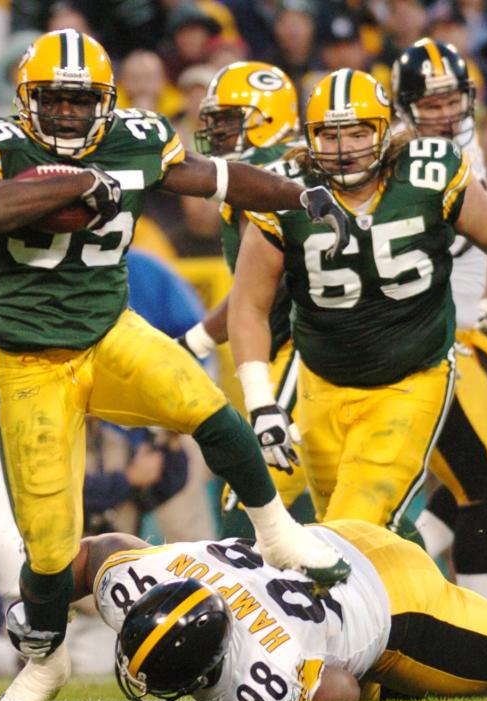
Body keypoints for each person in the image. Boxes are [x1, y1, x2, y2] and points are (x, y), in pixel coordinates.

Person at [0, 28, 353, 701]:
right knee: (47, 548)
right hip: (25, 357)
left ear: (102, 102)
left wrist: (295, 194)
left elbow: (209, 175)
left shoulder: (133, 136)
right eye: (54, 100)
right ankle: (46, 659)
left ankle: (275, 529)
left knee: (205, 404)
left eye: (80, 101)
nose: (68, 114)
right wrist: (77, 183)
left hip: (108, 331)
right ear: (25, 101)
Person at [228, 68, 487, 539]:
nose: (344, 149)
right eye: (329, 134)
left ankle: (468, 614)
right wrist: (262, 404)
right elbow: (248, 306)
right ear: (309, 137)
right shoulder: (283, 191)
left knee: (351, 528)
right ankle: (416, 609)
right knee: (338, 529)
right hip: (320, 382)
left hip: (410, 378)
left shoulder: (429, 174)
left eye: (359, 132)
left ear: (387, 131)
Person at [68, 520, 487, 701]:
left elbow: (339, 690)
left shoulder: (257, 678)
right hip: (336, 536)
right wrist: (36, 604)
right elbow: (95, 553)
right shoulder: (149, 575)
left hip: (403, 606)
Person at [391, 38, 487, 603]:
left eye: (452, 100)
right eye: (431, 102)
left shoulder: (458, 145)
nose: (445, 113)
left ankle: (409, 559)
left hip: (471, 333)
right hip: (436, 340)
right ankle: (481, 627)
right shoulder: (404, 154)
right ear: (405, 105)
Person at [181, 60, 311, 539]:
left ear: (269, 115)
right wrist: (195, 340)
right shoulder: (282, 168)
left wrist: (192, 342)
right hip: (296, 347)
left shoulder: (262, 178)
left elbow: (264, 289)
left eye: (230, 120)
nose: (216, 131)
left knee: (250, 503)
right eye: (213, 121)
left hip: (307, 347)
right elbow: (253, 288)